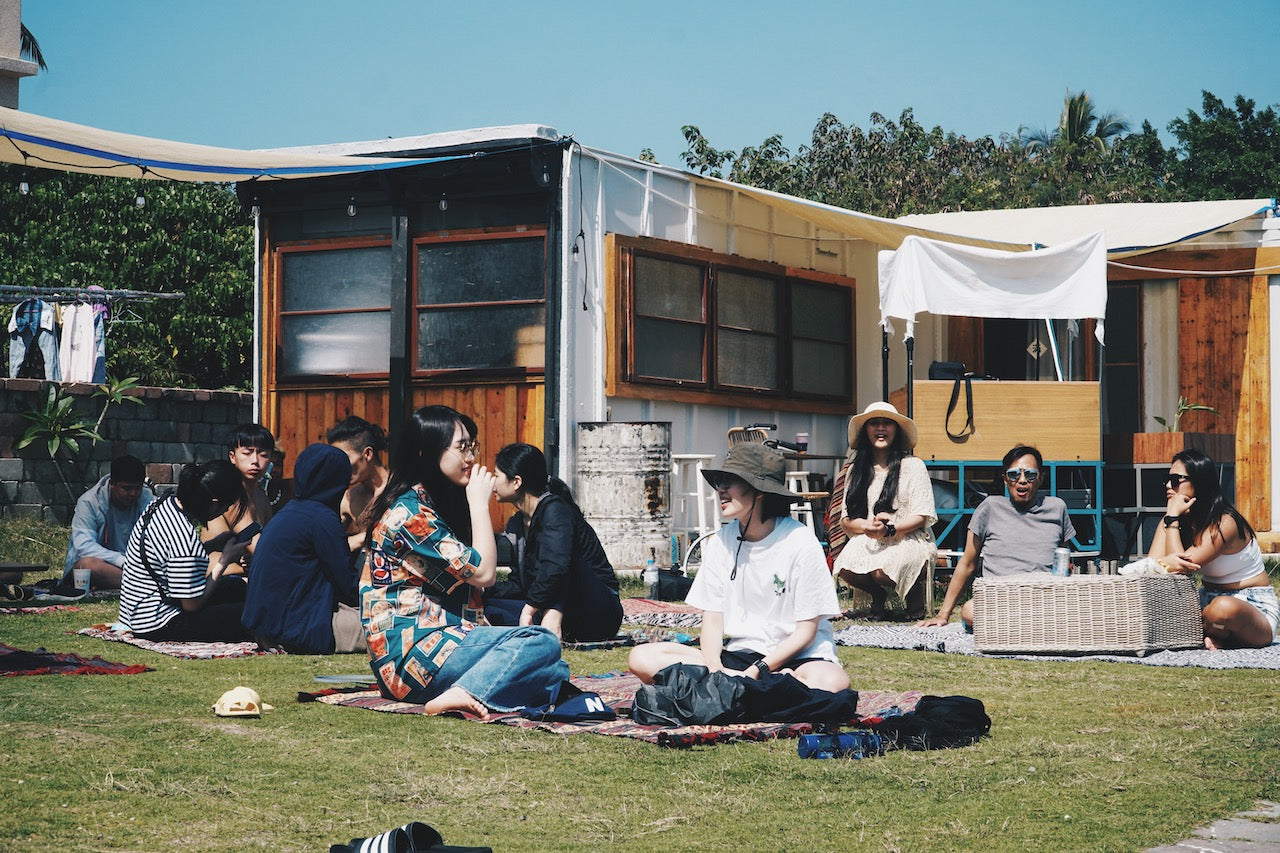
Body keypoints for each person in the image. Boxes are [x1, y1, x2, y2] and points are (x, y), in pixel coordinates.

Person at [361, 405, 569, 717]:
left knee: (555, 668)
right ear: (426, 452)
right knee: (540, 643)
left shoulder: (431, 501)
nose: (471, 458)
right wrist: (478, 503)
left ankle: (471, 687)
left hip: (439, 646)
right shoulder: (412, 514)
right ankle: (464, 691)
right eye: (462, 448)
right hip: (415, 656)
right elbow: (484, 573)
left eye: (472, 446)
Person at [628, 442, 849, 692]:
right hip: (740, 656)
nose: (720, 490)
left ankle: (750, 690)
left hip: (798, 659)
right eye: (719, 482)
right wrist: (715, 670)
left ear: (759, 491)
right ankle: (755, 691)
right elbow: (712, 621)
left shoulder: (800, 541)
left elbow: (806, 632)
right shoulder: (721, 540)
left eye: (730, 482)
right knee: (642, 658)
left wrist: (757, 671)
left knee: (834, 682)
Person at [919, 444, 1074, 630]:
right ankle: (1027, 627)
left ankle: (1017, 627)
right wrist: (943, 614)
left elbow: (1063, 561)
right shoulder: (990, 507)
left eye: (1030, 474)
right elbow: (968, 563)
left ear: (1041, 478)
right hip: (1000, 598)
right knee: (969, 611)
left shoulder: (1057, 508)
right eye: (1014, 474)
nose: (1022, 481)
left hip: (1042, 597)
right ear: (1006, 480)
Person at [488, 442, 622, 642]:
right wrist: (483, 590)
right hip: (560, 607)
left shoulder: (555, 510)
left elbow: (556, 566)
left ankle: (553, 618)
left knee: (559, 561)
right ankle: (547, 622)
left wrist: (530, 608)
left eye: (496, 476)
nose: (492, 483)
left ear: (516, 482)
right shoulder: (517, 523)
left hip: (598, 610)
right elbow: (520, 583)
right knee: (485, 608)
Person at [241, 443, 365, 654]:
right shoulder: (322, 519)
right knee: (391, 627)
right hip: (300, 630)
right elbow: (346, 583)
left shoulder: (291, 511)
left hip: (266, 629)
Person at [1148, 449, 1277, 649]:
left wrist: (1172, 520)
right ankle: (1216, 634)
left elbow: (1181, 565)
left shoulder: (1224, 523)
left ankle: (1209, 632)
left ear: (1199, 482)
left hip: (1249, 606)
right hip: (1204, 602)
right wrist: (1171, 520)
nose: (1167, 485)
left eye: (1175, 480)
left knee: (1222, 608)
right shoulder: (1173, 519)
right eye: (1167, 478)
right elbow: (1150, 568)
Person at [117, 460, 252, 642]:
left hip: (135, 612)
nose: (226, 511)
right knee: (251, 613)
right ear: (213, 503)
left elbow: (171, 559)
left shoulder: (163, 504)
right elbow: (191, 605)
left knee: (237, 587)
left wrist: (212, 545)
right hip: (159, 622)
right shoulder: (184, 536)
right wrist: (224, 561)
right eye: (226, 506)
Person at [832, 402, 937, 620]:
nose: (881, 428)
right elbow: (846, 520)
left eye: (887, 423)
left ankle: (914, 594)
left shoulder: (913, 465)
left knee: (881, 572)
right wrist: (868, 526)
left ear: (896, 430)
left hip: (908, 537)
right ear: (865, 431)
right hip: (870, 537)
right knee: (843, 566)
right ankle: (877, 596)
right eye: (874, 424)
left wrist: (890, 529)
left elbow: (922, 515)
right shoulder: (855, 470)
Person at [63, 454, 155, 590]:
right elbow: (84, 546)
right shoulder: (89, 502)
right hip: (106, 565)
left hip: (136, 568)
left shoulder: (149, 500)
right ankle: (147, 585)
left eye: (138, 488)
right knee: (87, 566)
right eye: (127, 488)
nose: (133, 494)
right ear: (112, 484)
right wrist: (122, 561)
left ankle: (139, 584)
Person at [204, 423, 276, 565]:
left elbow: (271, 540)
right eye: (247, 453)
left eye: (263, 455)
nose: (255, 461)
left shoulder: (261, 496)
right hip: (219, 577)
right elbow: (260, 547)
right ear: (232, 456)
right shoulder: (231, 493)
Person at [326, 416, 389, 556]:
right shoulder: (348, 498)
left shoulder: (401, 490)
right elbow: (327, 545)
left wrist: (365, 537)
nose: (338, 466)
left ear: (367, 454)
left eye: (343, 458)